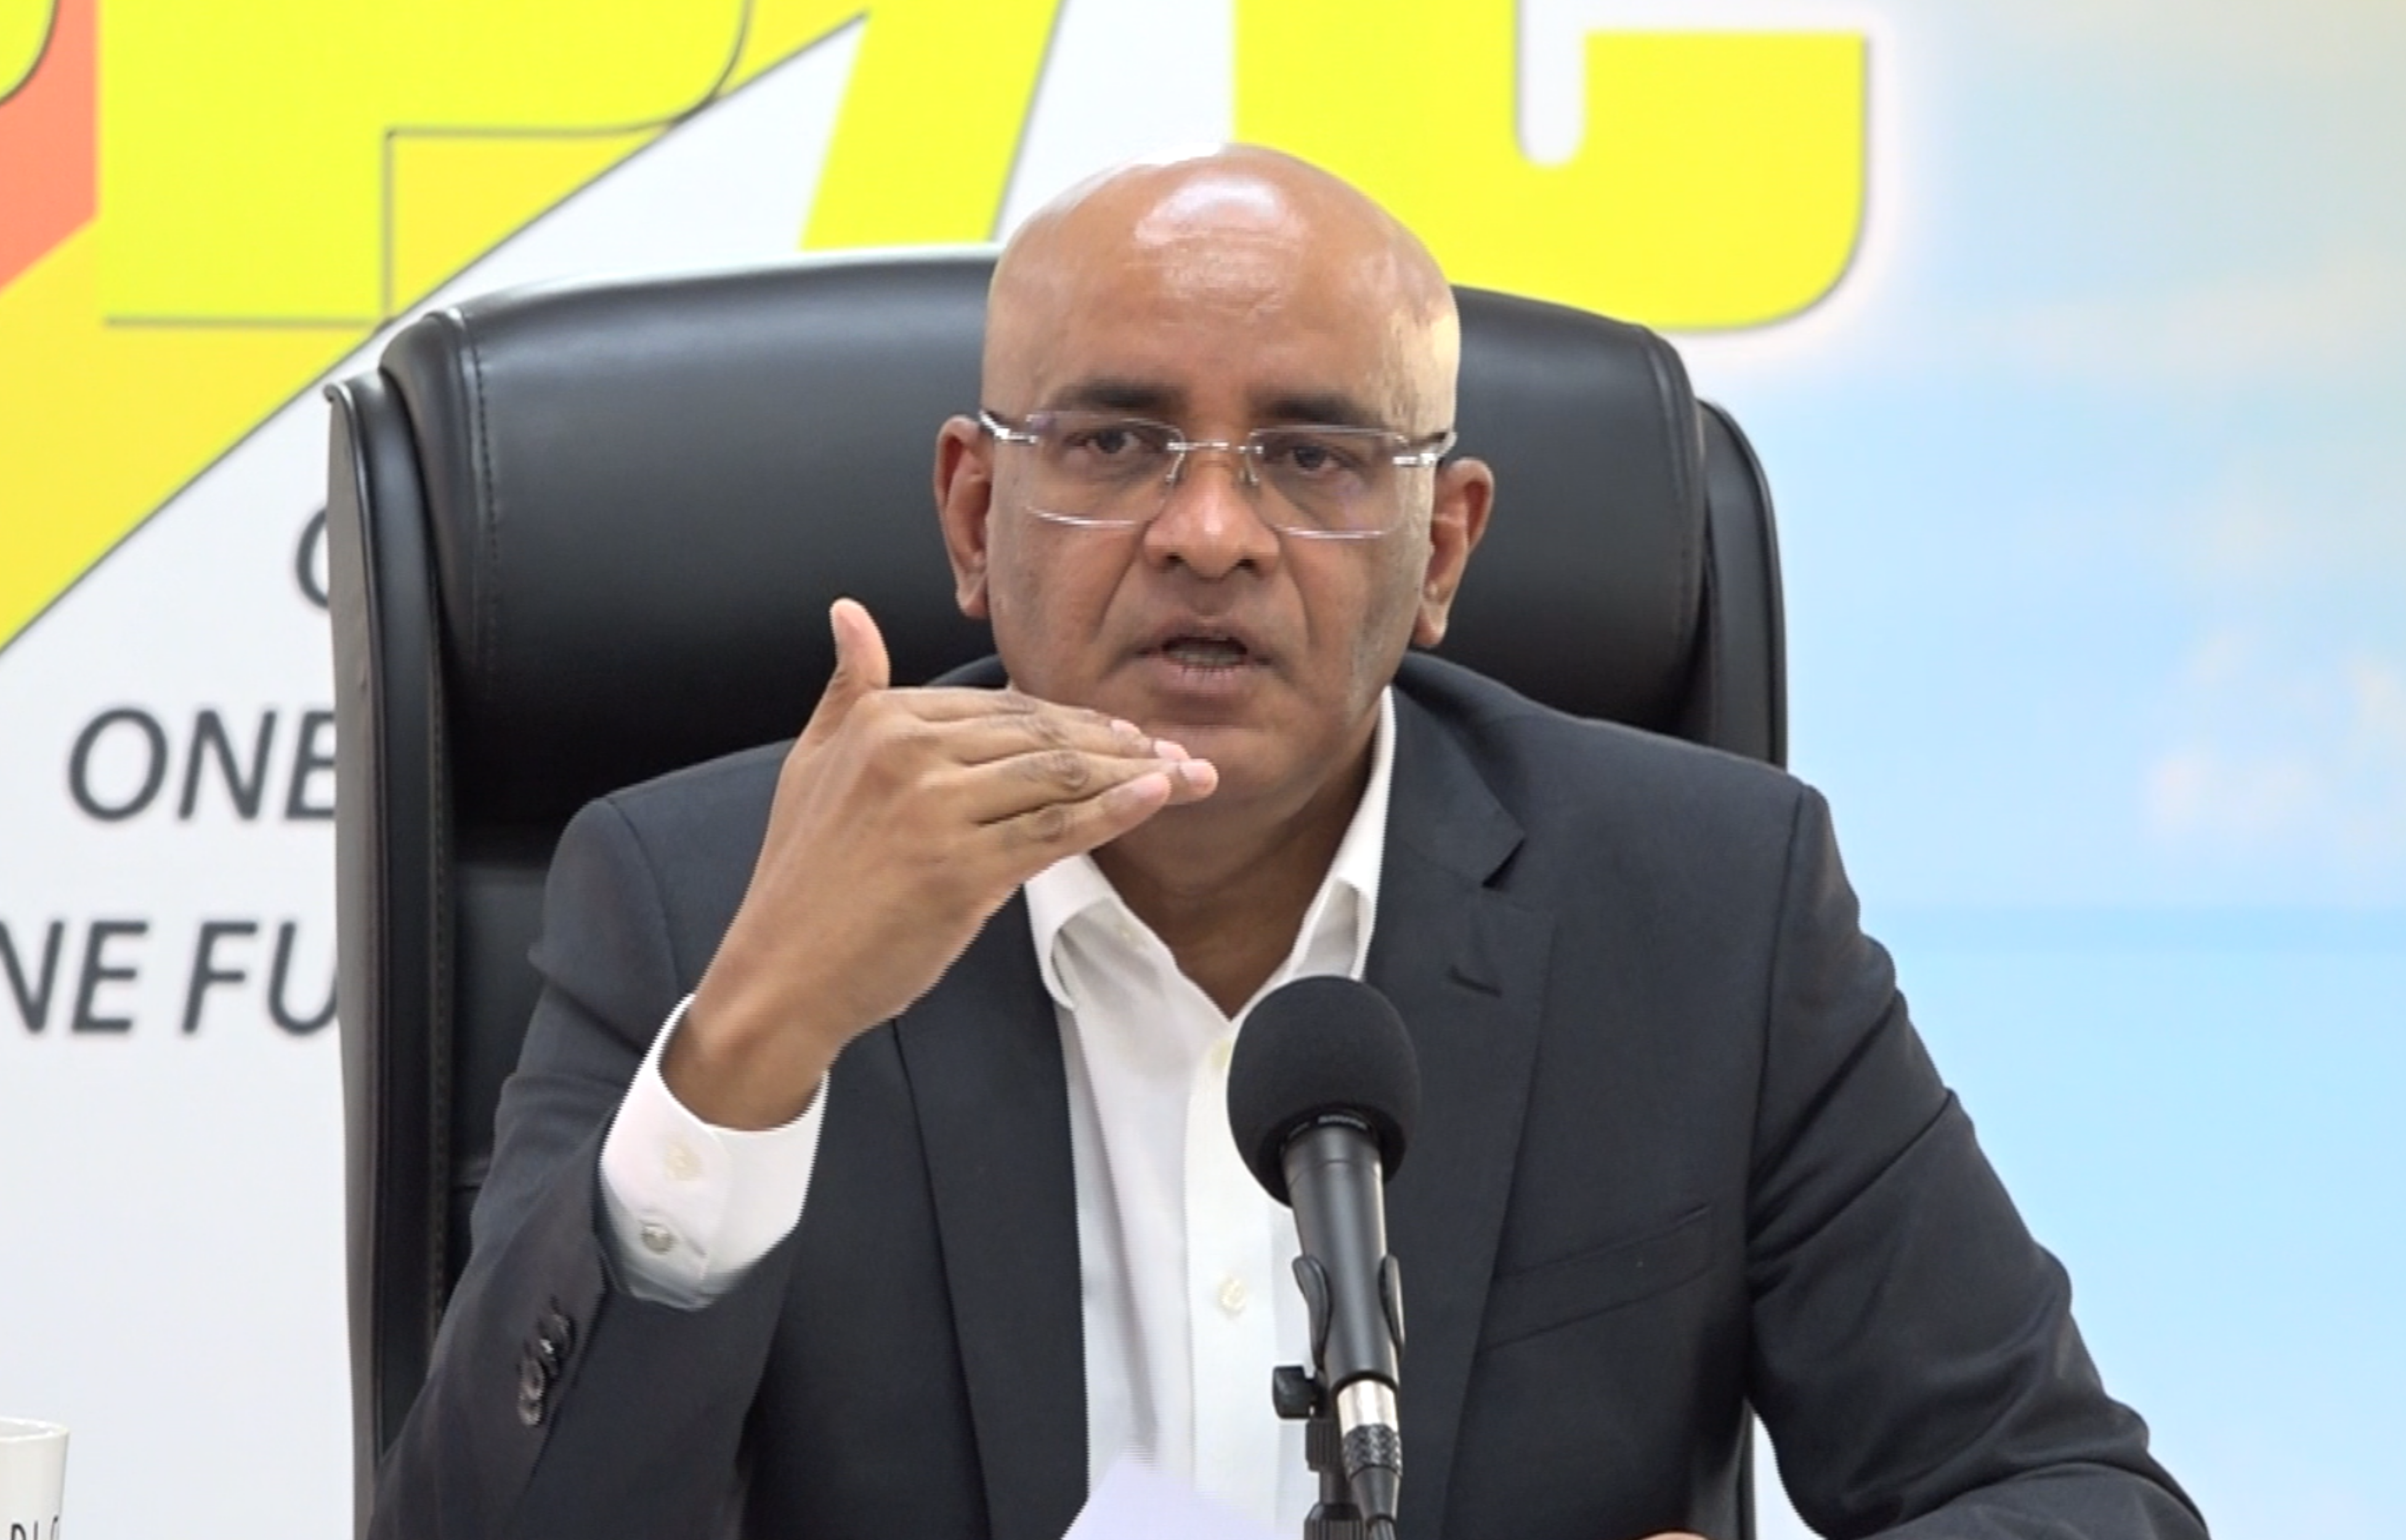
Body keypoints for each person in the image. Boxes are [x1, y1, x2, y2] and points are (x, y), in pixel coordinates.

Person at [371, 147, 2206, 1540]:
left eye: (1316, 459)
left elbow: (2068, 1493)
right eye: (1116, 443)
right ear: (974, 511)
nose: (1210, 532)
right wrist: (755, 1043)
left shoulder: (1706, 911)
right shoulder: (701, 902)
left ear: (1445, 549)